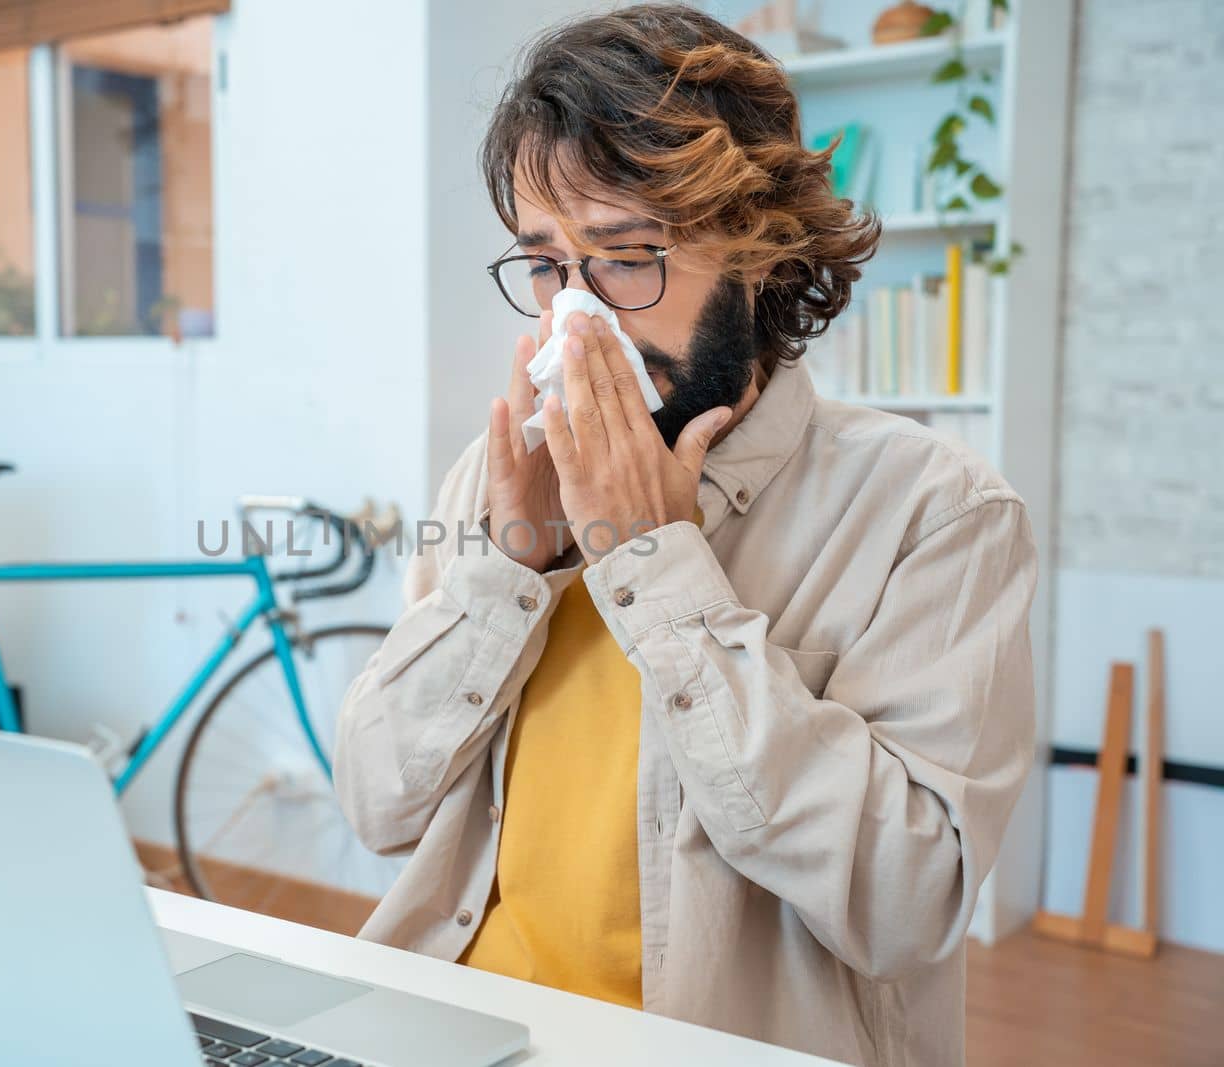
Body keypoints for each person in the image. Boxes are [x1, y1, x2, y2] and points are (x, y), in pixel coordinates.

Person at [334, 6, 1037, 1066]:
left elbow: (907, 903)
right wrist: (506, 564)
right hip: (457, 1028)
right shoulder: (499, 477)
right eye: (545, 266)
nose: (578, 320)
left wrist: (657, 570)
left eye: (625, 258)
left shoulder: (933, 511)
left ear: (761, 253)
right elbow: (376, 802)